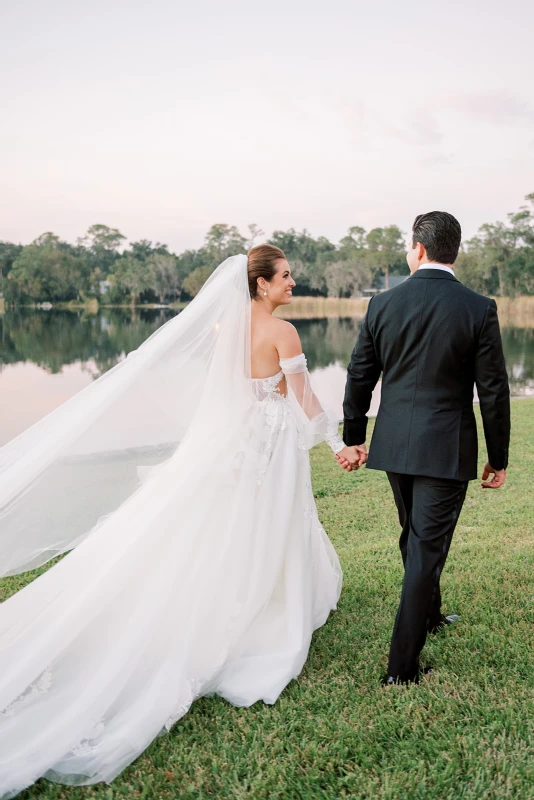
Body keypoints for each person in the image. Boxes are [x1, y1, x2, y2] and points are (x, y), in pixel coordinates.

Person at [0, 246, 345, 797]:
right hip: (270, 444)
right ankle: (261, 606)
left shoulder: (220, 328)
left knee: (235, 524)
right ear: (260, 286)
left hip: (234, 443)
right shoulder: (284, 333)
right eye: (284, 276)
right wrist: (336, 443)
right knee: (267, 523)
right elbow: (302, 397)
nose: (292, 282)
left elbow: (222, 390)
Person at [338, 210, 511, 684]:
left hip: (396, 443)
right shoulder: (477, 307)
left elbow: (359, 374)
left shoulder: (382, 304)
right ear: (454, 250)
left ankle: (429, 617)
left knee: (415, 537)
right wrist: (498, 456)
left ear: (417, 248)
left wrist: (355, 435)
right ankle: (401, 670)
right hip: (445, 448)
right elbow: (493, 391)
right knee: (424, 548)